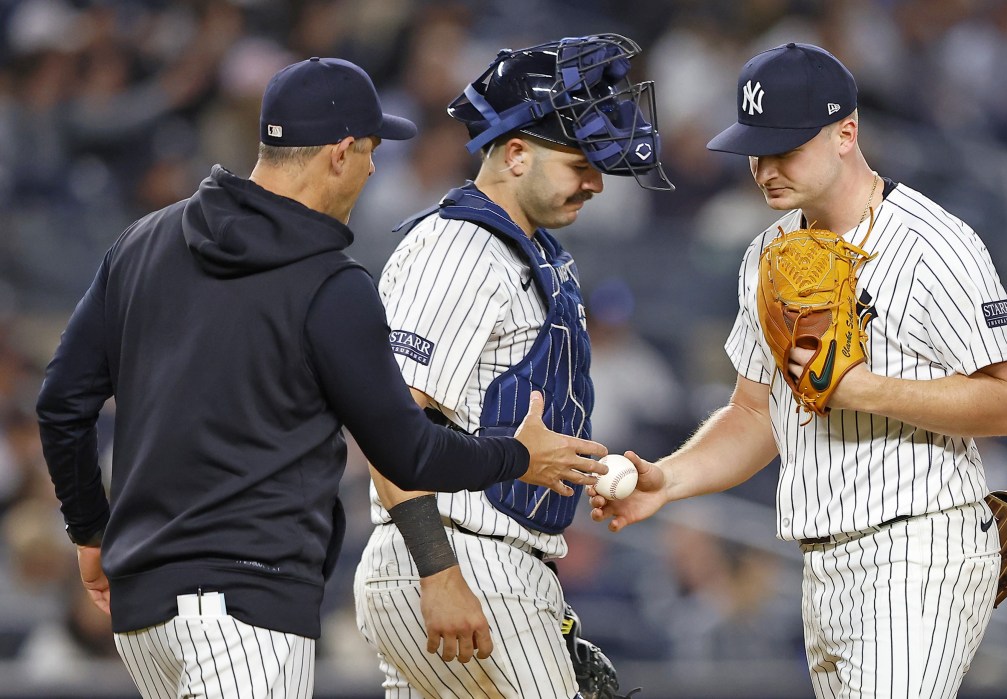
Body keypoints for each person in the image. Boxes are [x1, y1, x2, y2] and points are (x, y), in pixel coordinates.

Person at [34, 56, 608, 699]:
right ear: (340, 152)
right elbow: (409, 452)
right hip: (248, 609)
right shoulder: (330, 284)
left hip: (144, 617)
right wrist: (517, 456)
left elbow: (61, 405)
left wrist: (88, 530)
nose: (371, 168)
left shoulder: (141, 244)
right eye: (370, 151)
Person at [591, 42, 1007, 698]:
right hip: (820, 564)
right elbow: (754, 413)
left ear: (845, 132)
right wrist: (668, 479)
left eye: (784, 148)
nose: (765, 168)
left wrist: (863, 388)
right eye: (756, 150)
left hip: (918, 547)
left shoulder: (936, 245)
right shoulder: (769, 254)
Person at [353, 34, 673, 699]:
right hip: (453, 554)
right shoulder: (459, 247)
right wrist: (440, 573)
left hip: (483, 561)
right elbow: (388, 422)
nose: (595, 181)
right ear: (516, 153)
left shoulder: (527, 252)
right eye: (580, 161)